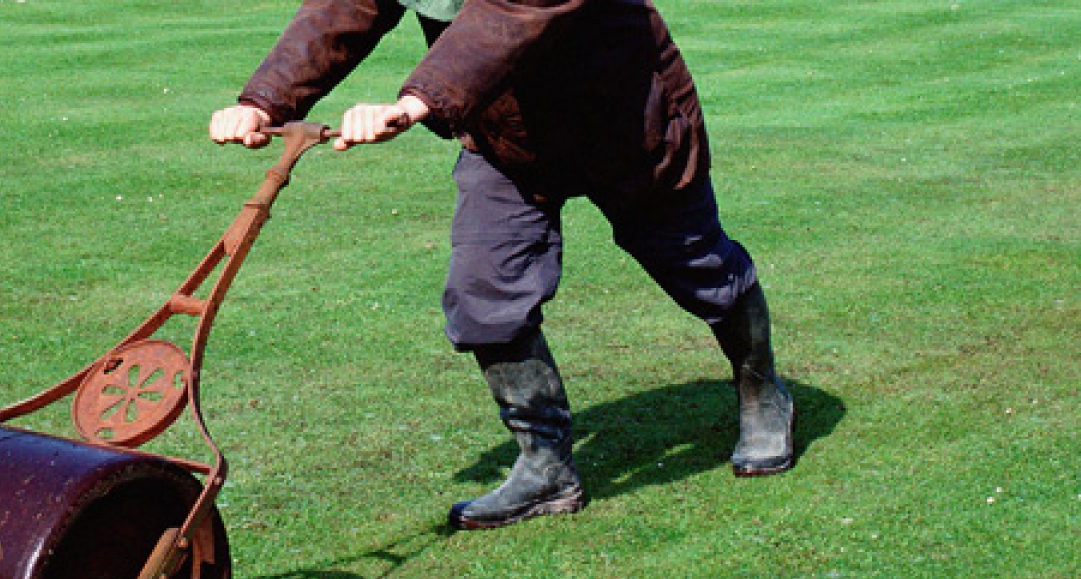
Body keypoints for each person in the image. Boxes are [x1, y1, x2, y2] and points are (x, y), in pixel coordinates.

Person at [209, 0, 795, 530]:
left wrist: (415, 103)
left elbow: (510, 11)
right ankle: (546, 468)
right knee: (483, 295)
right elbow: (347, 7)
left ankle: (762, 391)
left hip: (624, 118)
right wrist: (264, 100)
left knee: (700, 269)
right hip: (508, 137)